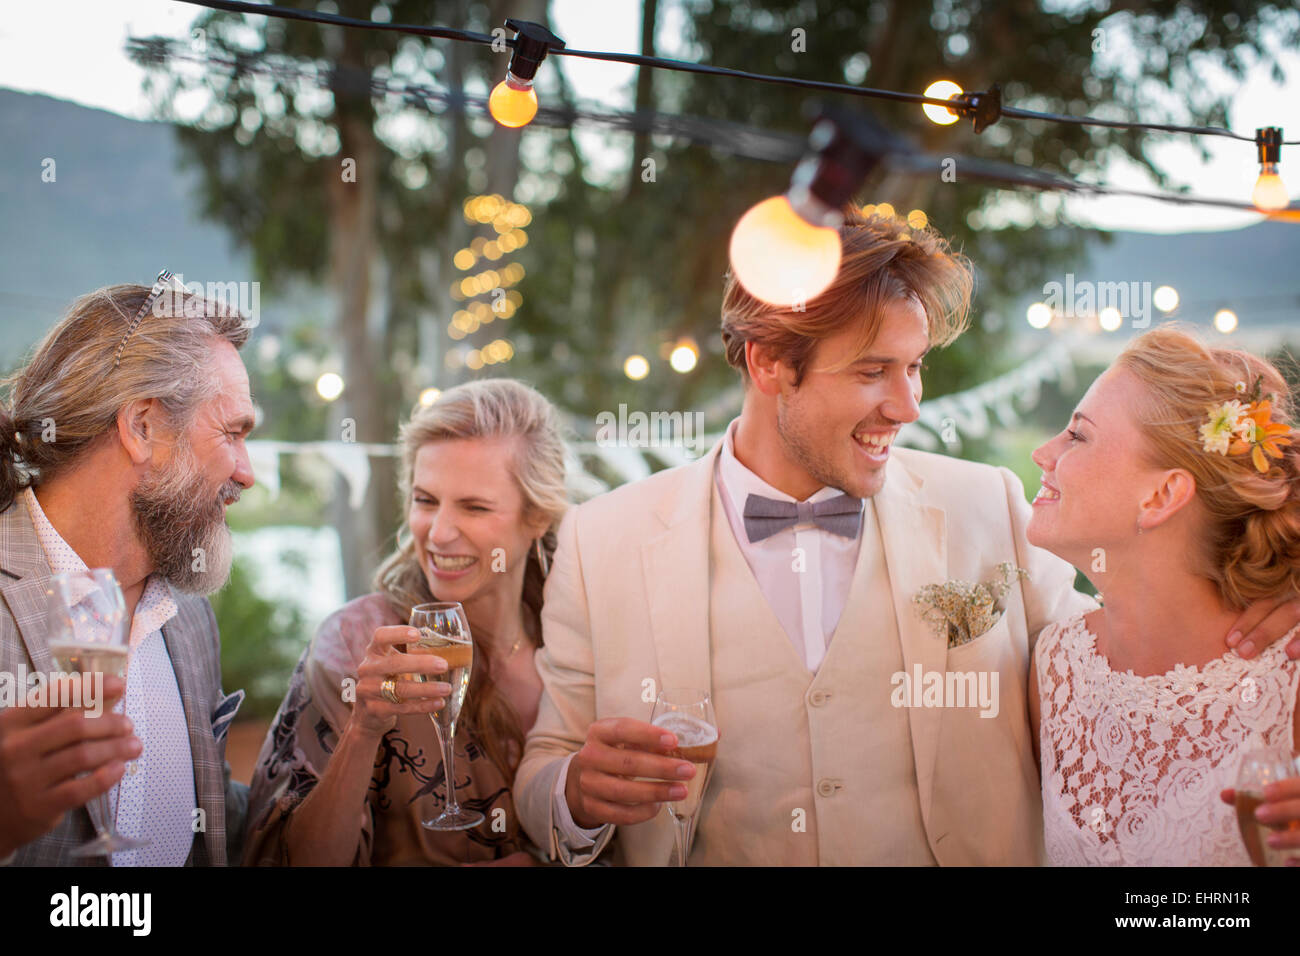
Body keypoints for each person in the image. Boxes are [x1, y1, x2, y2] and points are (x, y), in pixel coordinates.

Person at [513, 210, 1300, 866]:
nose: (908, 405)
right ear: (768, 363)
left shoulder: (987, 504)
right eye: (872, 372)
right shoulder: (601, 539)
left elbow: (1139, 648)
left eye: (916, 367)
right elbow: (543, 769)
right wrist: (578, 794)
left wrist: (1279, 578)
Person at [244, 378, 567, 865]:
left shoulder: (578, 639)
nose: (438, 533)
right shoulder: (355, 643)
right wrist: (362, 729)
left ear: (538, 516)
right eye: (425, 500)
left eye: (474, 507)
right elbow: (286, 859)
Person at [0, 275, 255, 866]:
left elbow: (219, 828)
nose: (246, 473)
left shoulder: (188, 620)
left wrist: (354, 737)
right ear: (143, 427)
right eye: (233, 432)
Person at [1028, 326, 1300, 865]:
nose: (1042, 452)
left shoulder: (1288, 681)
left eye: (1077, 436)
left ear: (1162, 495)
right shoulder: (1053, 668)